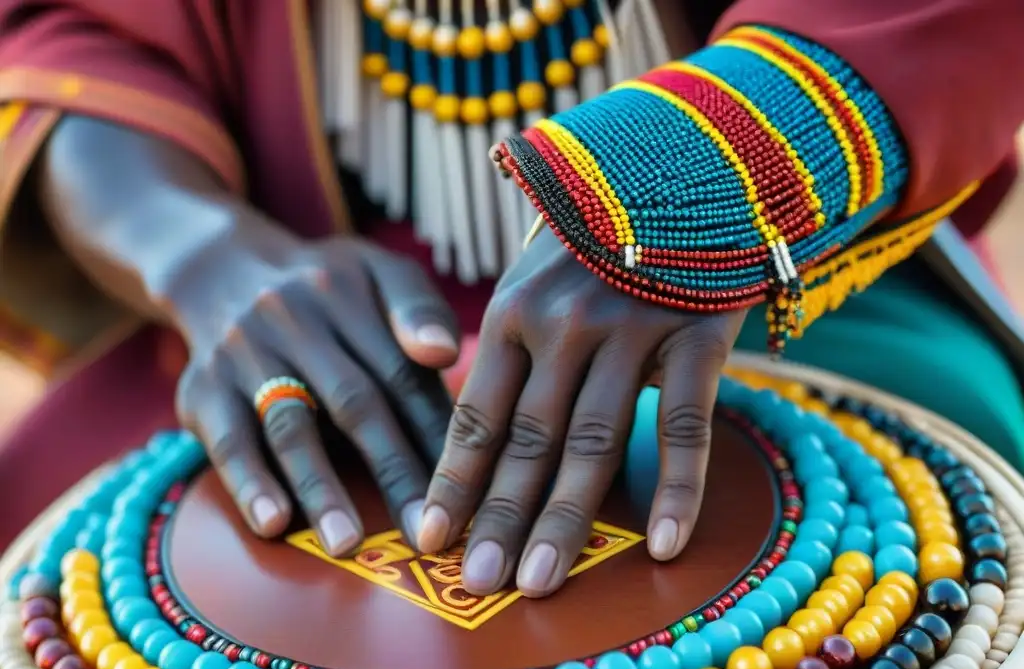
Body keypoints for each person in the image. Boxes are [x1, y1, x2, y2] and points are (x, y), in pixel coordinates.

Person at [0, 0, 1022, 600]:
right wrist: (200, 254)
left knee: (957, 555)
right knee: (53, 575)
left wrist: (683, 187)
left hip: (769, 263)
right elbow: (69, 31)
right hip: (304, 306)